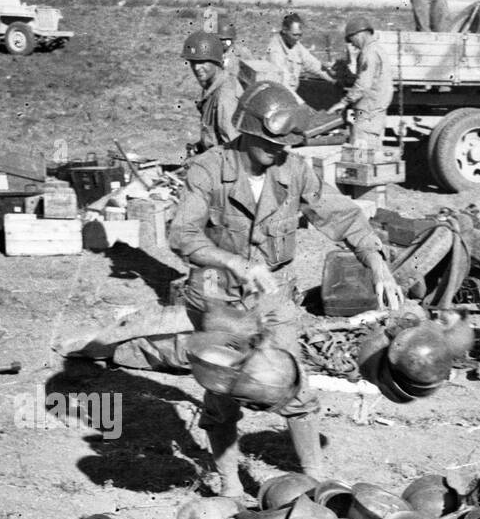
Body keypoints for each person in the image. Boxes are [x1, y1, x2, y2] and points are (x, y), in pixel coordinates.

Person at [168, 82, 403, 495]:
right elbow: (182, 235)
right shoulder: (208, 169)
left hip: (272, 292)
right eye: (272, 143)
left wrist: (377, 262)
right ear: (248, 131)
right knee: (223, 390)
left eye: (287, 143)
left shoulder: (293, 171)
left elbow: (343, 217)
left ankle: (315, 479)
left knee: (294, 383)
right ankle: (229, 484)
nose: (280, 150)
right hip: (217, 293)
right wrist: (234, 261)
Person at [339, 16, 393, 150]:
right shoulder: (378, 50)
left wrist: (344, 101)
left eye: (351, 40)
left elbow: (363, 85)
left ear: (358, 35)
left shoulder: (368, 53)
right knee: (372, 149)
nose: (352, 44)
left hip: (367, 110)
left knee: (361, 150)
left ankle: (364, 169)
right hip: (375, 108)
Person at [182, 30, 240, 153]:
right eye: (193, 62)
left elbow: (232, 151)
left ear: (216, 61)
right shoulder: (211, 87)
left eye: (202, 61)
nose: (197, 68)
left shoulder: (224, 98)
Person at [265, 14, 331, 98]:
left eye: (300, 35)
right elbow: (284, 87)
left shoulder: (294, 44)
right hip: (279, 97)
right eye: (295, 35)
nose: (297, 39)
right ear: (284, 30)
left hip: (291, 95)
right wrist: (301, 105)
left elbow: (313, 64)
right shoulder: (275, 52)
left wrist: (334, 80)